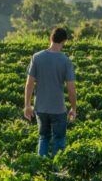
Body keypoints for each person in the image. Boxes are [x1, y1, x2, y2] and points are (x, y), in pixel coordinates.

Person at [23, 27, 77, 157]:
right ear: (64, 41)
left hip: (40, 107)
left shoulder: (37, 57)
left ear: (50, 38)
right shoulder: (65, 61)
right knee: (59, 140)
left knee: (43, 137)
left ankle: (40, 168)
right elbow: (71, 88)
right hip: (58, 109)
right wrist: (73, 108)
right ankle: (57, 172)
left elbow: (29, 84)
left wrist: (27, 105)